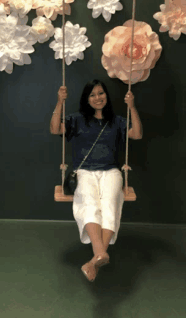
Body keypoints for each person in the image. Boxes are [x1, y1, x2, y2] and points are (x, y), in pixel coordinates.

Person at [50, 79, 143, 281]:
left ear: (106, 96)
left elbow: (136, 134)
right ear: (87, 99)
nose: (98, 97)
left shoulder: (117, 121)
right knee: (90, 203)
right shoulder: (76, 119)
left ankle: (96, 258)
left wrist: (132, 107)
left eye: (101, 93)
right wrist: (59, 102)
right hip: (84, 171)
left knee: (110, 204)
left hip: (111, 171)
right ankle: (100, 252)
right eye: (92, 95)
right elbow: (55, 129)